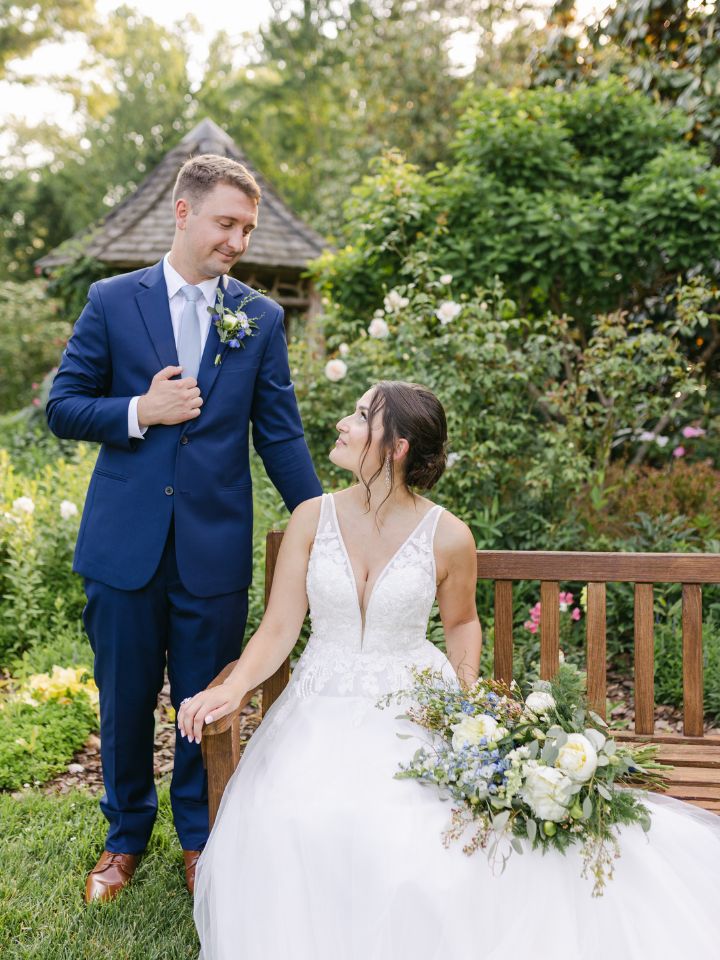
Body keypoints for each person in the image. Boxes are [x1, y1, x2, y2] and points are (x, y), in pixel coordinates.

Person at [179, 380, 720, 960]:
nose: (342, 423)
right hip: (316, 705)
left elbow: (462, 623)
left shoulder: (449, 535)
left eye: (360, 416)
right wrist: (235, 686)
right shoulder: (312, 518)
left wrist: (469, 706)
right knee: (290, 816)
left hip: (413, 706)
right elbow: (280, 626)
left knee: (419, 833)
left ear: (397, 447)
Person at [46, 153, 322, 903]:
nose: (237, 240)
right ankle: (124, 837)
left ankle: (201, 838)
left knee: (207, 701)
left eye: (247, 229)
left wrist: (324, 521)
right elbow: (63, 406)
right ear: (183, 212)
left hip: (213, 548)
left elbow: (280, 435)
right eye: (226, 223)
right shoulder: (112, 300)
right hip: (123, 547)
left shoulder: (259, 318)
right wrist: (141, 410)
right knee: (124, 698)